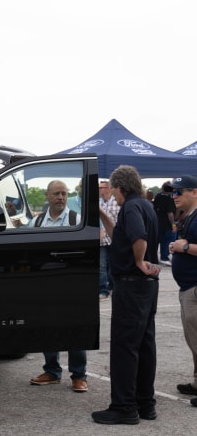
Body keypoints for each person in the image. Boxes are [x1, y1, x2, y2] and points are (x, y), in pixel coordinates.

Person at [92, 165, 160, 425]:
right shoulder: (144, 206)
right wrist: (100, 212)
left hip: (131, 285)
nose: (113, 195)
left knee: (124, 347)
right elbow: (118, 235)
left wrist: (140, 260)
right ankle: (146, 404)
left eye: (113, 189)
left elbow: (138, 237)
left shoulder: (131, 207)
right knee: (144, 345)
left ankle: (123, 407)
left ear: (119, 187)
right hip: (146, 287)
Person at [30, 179, 87, 392]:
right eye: (56, 193)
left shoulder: (76, 219)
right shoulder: (36, 223)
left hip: (70, 283)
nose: (61, 197)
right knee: (48, 327)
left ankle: (79, 375)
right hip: (46, 284)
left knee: (75, 329)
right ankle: (52, 371)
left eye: (64, 193)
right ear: (47, 196)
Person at [166, 175, 197, 406]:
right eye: (172, 192)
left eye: (179, 192)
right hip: (188, 287)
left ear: (194, 192)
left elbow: (188, 246)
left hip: (195, 288)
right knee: (192, 339)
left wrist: (184, 246)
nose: (174, 196)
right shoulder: (188, 216)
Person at [98, 180, 120, 300]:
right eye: (99, 187)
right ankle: (103, 289)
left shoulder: (117, 202)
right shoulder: (98, 203)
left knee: (113, 265)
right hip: (102, 239)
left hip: (113, 239)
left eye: (102, 187)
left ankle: (113, 286)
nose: (100, 190)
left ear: (109, 189)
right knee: (101, 266)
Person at [153, 181, 177, 266]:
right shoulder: (169, 198)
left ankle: (154, 258)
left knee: (159, 241)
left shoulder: (158, 196)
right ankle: (164, 257)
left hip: (157, 223)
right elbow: (170, 213)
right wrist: (173, 225)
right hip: (167, 224)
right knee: (169, 239)